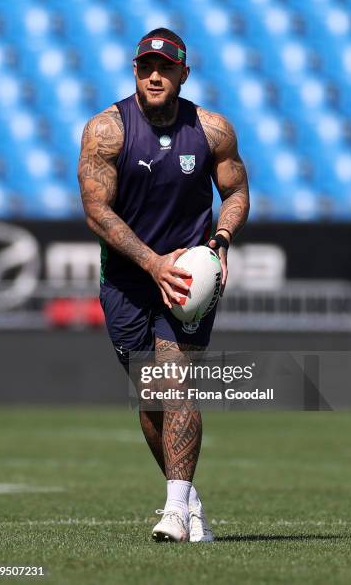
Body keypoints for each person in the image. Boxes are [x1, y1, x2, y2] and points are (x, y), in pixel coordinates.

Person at [78, 28, 249, 542]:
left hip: (188, 278)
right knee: (150, 396)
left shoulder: (212, 130)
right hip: (128, 277)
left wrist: (219, 240)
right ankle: (190, 500)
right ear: (135, 71)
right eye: (147, 67)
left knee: (176, 383)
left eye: (167, 68)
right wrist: (152, 262)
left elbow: (236, 191)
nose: (156, 75)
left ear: (183, 73)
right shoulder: (107, 130)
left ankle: (174, 509)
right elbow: (96, 211)